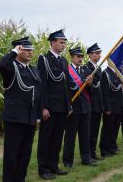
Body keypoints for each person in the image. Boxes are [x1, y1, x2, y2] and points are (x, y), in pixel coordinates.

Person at [0, 37, 41, 182]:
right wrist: (14, 52)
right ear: (19, 50)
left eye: (31, 50)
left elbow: (38, 93)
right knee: (12, 155)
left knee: (24, 155)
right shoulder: (11, 68)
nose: (30, 52)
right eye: (26, 49)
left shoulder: (34, 70)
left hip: (29, 119)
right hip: (15, 119)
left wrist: (38, 116)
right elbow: (2, 65)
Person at [37, 30, 72, 180]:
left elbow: (66, 85)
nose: (63, 44)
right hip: (50, 107)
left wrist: (69, 105)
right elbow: (42, 85)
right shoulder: (44, 60)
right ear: (52, 43)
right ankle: (43, 169)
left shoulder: (63, 61)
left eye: (64, 42)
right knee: (46, 138)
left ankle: (53, 165)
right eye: (60, 42)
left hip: (62, 107)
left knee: (57, 138)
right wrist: (43, 107)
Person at [62, 46, 97, 167]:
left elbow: (91, 91)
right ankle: (68, 161)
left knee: (85, 135)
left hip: (85, 108)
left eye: (82, 56)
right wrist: (68, 106)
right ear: (71, 57)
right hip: (73, 108)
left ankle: (86, 159)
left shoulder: (86, 70)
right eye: (78, 56)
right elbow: (65, 90)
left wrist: (89, 84)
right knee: (70, 136)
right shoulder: (66, 71)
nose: (80, 59)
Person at [82, 43, 105, 160]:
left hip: (98, 104)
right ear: (90, 55)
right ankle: (88, 154)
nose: (99, 55)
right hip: (91, 103)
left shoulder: (98, 68)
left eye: (100, 53)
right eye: (96, 53)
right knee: (89, 131)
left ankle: (93, 152)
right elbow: (88, 88)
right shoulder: (87, 68)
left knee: (95, 130)